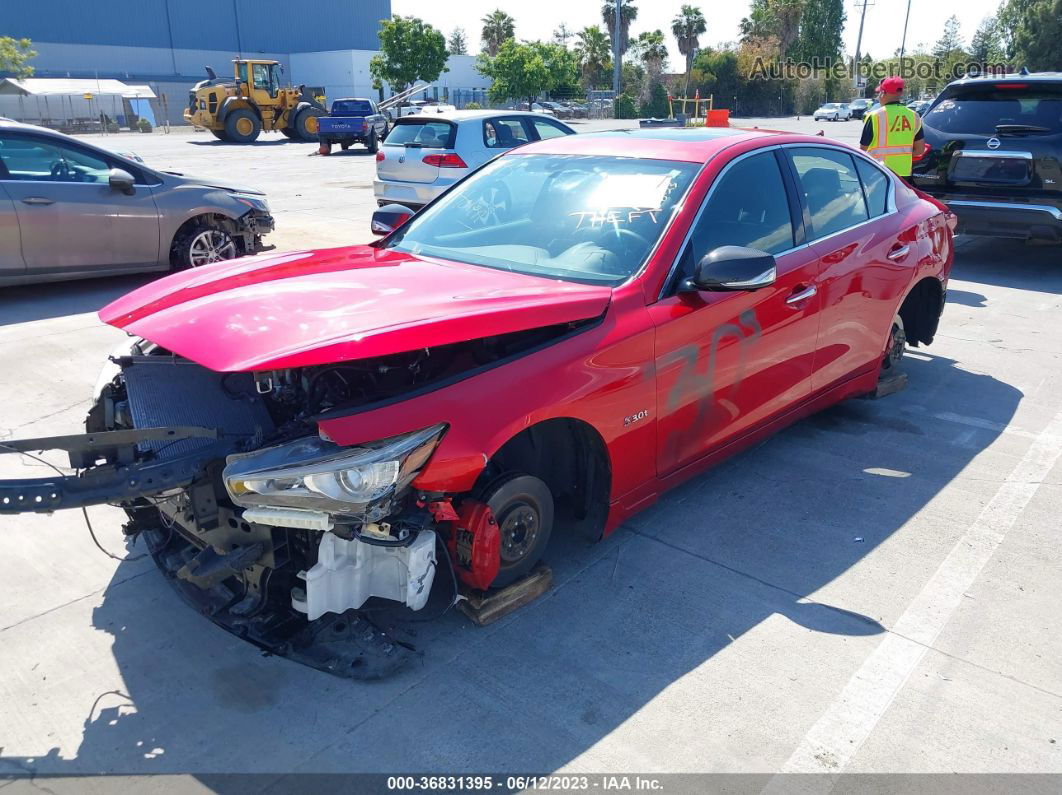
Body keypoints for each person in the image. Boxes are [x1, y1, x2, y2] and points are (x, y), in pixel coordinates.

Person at [859, 76, 925, 179]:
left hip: (878, 172)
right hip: (903, 175)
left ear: (883, 93)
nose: (878, 97)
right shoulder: (913, 116)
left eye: (879, 93)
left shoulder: (875, 116)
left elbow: (863, 149)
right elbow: (920, 149)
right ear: (900, 93)